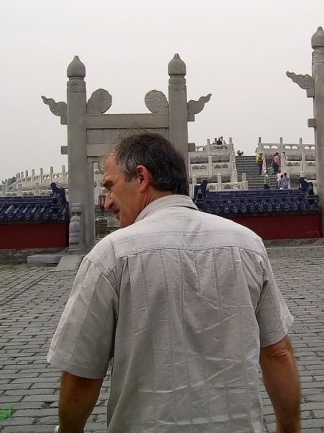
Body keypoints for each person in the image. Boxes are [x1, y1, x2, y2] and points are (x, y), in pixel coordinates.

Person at [47, 133, 300, 432]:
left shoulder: (111, 255)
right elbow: (278, 352)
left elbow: (81, 375)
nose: (107, 202)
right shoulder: (246, 244)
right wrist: (290, 429)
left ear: (141, 177)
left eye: (110, 186)